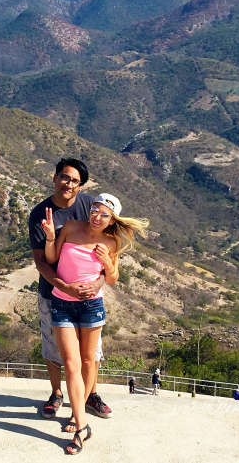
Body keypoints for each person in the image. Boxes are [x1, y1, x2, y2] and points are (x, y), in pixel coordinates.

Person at [43, 192, 148, 455]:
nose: (96, 217)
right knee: (71, 364)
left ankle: (76, 415)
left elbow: (111, 278)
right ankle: (82, 425)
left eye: (104, 215)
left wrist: (106, 262)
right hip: (62, 303)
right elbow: (52, 258)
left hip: (91, 306)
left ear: (112, 219)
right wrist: (50, 238)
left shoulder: (111, 242)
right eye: (94, 210)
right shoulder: (71, 227)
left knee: (89, 361)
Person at [29, 159, 113, 421]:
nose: (69, 184)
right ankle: (56, 393)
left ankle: (90, 395)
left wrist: (99, 283)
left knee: (91, 352)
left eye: (75, 181)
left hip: (88, 295)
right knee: (53, 348)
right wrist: (64, 286)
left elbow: (108, 247)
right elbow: (42, 261)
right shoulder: (40, 214)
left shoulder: (90, 206)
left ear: (81, 186)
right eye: (65, 177)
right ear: (55, 178)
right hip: (52, 292)